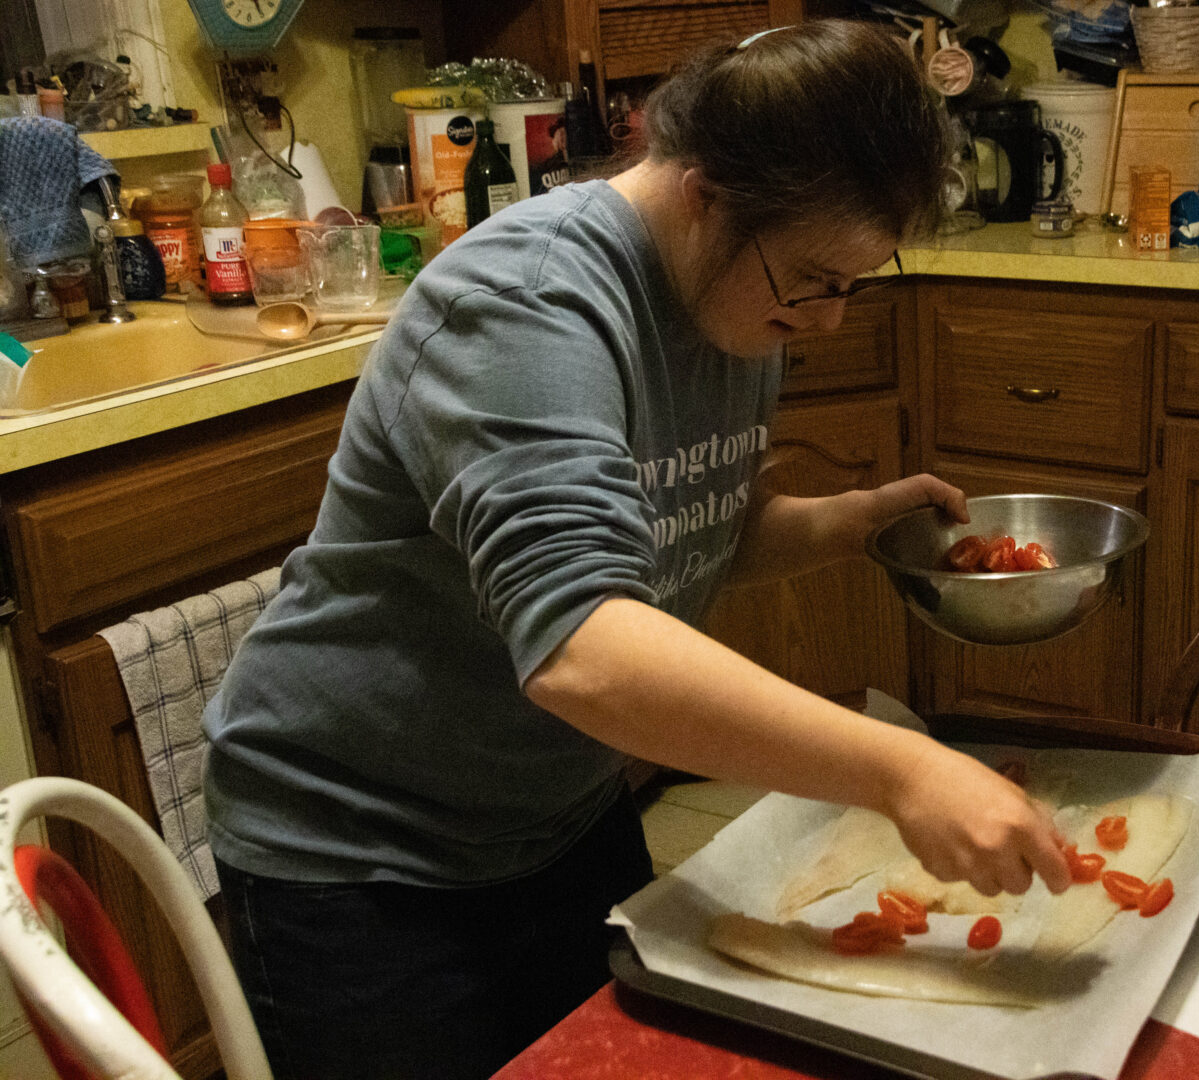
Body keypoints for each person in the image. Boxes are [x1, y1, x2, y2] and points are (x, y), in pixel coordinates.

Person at [202, 20, 1070, 1080]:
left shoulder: (741, 295)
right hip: (360, 852)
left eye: (855, 280)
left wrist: (851, 522)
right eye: (814, 278)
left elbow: (677, 538)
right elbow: (586, 648)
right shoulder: (529, 306)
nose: (831, 320)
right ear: (703, 193)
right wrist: (904, 773)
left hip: (557, 816)